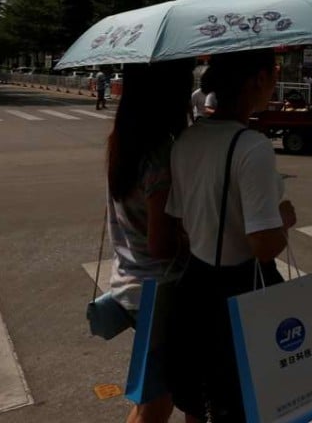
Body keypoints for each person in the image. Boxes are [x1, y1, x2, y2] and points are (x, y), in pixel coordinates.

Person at [165, 49, 297, 422]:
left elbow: (181, 223)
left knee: (199, 405)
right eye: (274, 72)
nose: (275, 80)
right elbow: (265, 246)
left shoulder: (187, 140)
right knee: (243, 406)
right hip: (239, 293)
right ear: (257, 79)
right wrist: (283, 218)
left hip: (194, 288)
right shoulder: (251, 147)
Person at [105, 59, 193, 423]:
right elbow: (161, 244)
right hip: (158, 292)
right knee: (157, 405)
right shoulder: (160, 155)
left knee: (150, 399)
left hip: (130, 281)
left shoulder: (122, 142)